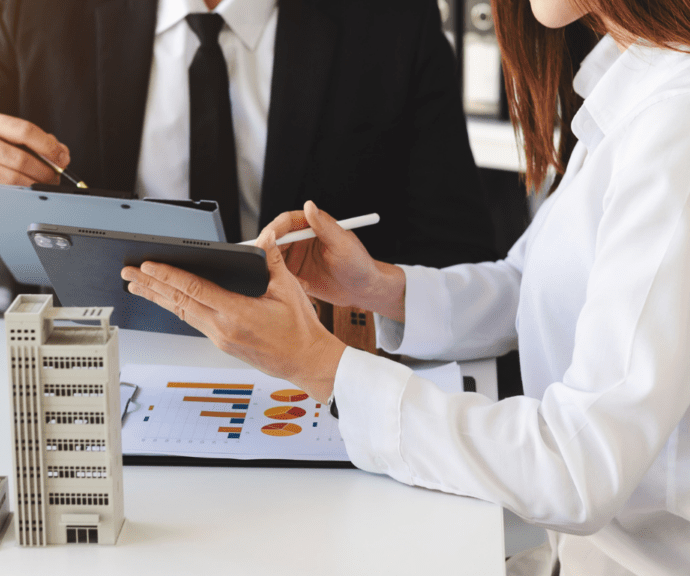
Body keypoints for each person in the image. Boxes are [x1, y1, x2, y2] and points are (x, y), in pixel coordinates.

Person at [121, 0, 690, 574]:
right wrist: (379, 288)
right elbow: (531, 281)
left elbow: (577, 468)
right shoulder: (633, 80)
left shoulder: (673, 125)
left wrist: (323, 366)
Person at [0, 0, 497, 272]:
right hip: (101, 374)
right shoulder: (42, 17)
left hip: (315, 377)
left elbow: (458, 252)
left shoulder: (390, 22)